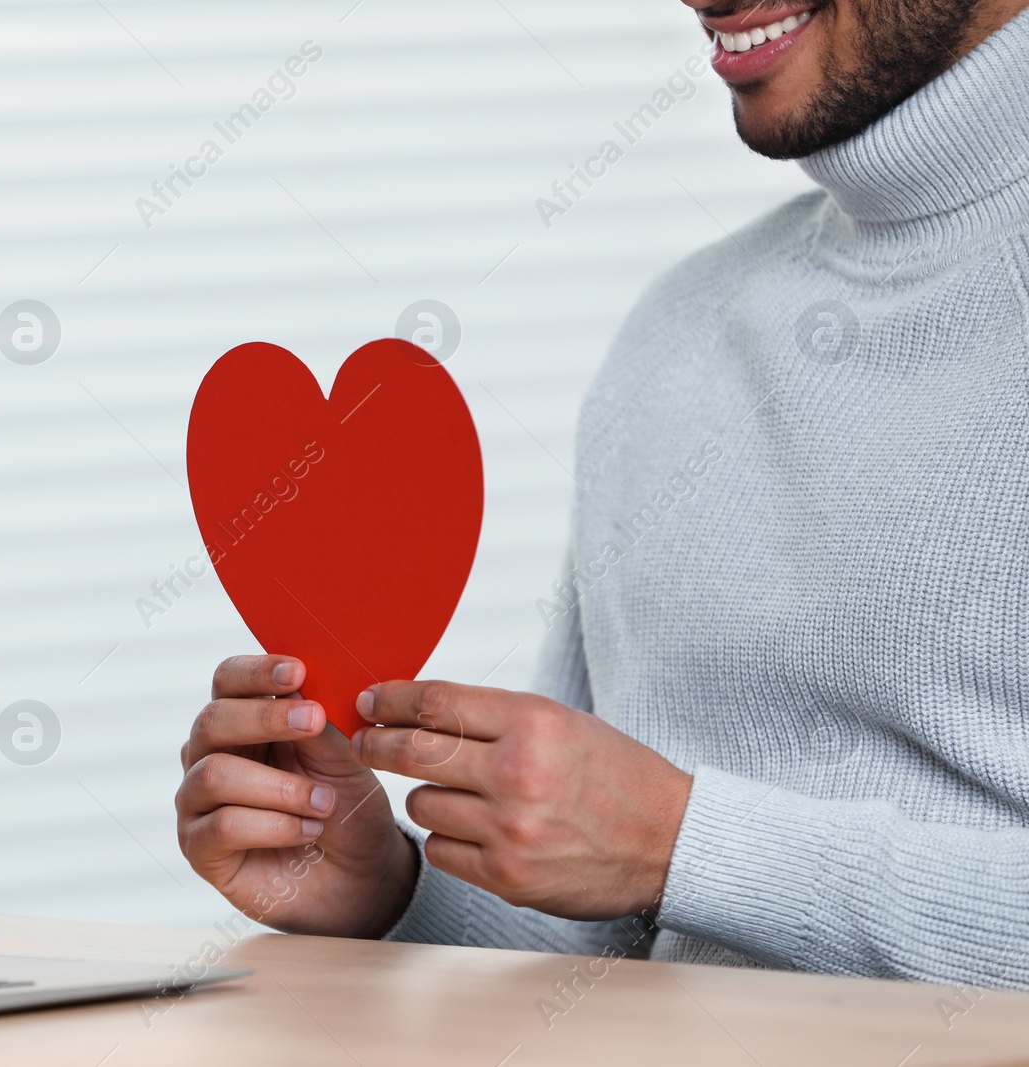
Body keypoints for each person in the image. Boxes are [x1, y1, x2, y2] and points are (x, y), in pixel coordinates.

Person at [175, 0, 1029, 986]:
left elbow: (668, 854)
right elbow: (615, 924)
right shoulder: (679, 335)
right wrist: (391, 888)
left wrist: (683, 840)